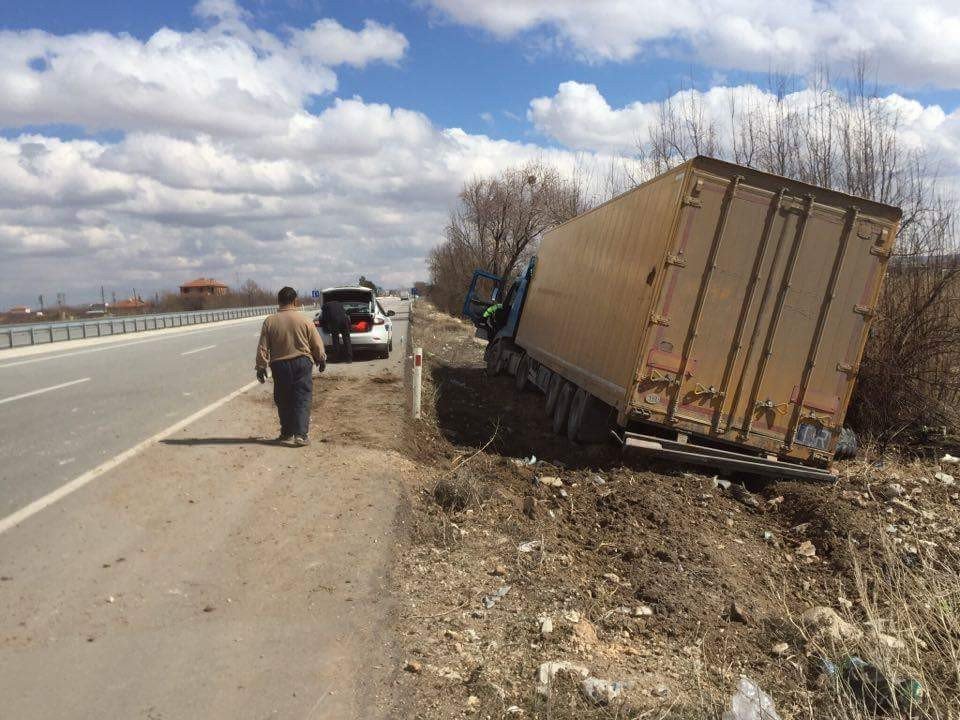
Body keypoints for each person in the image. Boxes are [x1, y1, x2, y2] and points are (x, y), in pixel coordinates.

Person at [255, 287, 326, 446]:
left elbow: (263, 347)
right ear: (295, 301)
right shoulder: (305, 320)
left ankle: (286, 432)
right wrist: (321, 358)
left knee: (283, 398)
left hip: (279, 365)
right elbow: (316, 343)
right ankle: (301, 435)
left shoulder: (270, 321)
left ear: (279, 301)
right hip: (302, 362)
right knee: (302, 397)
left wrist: (261, 366)